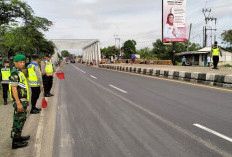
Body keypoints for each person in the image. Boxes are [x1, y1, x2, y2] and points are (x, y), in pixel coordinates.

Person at [9, 54, 30, 149]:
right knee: (18, 120)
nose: (22, 64)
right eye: (20, 62)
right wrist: (18, 103)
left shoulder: (19, 72)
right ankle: (15, 142)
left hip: (23, 100)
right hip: (19, 101)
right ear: (15, 63)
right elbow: (14, 89)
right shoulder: (14, 74)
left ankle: (19, 137)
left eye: (23, 62)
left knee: (22, 120)